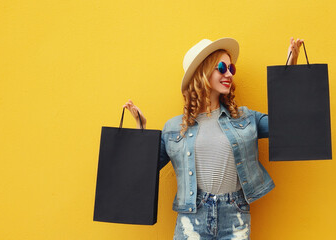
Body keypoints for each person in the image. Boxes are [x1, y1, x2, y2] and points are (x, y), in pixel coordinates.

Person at [123, 37, 304, 240]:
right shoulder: (173, 128)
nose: (229, 74)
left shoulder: (245, 118)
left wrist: (291, 70)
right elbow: (142, 172)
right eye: (221, 67)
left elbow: (286, 125)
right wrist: (141, 130)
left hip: (234, 216)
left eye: (231, 69)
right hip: (191, 218)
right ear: (202, 72)